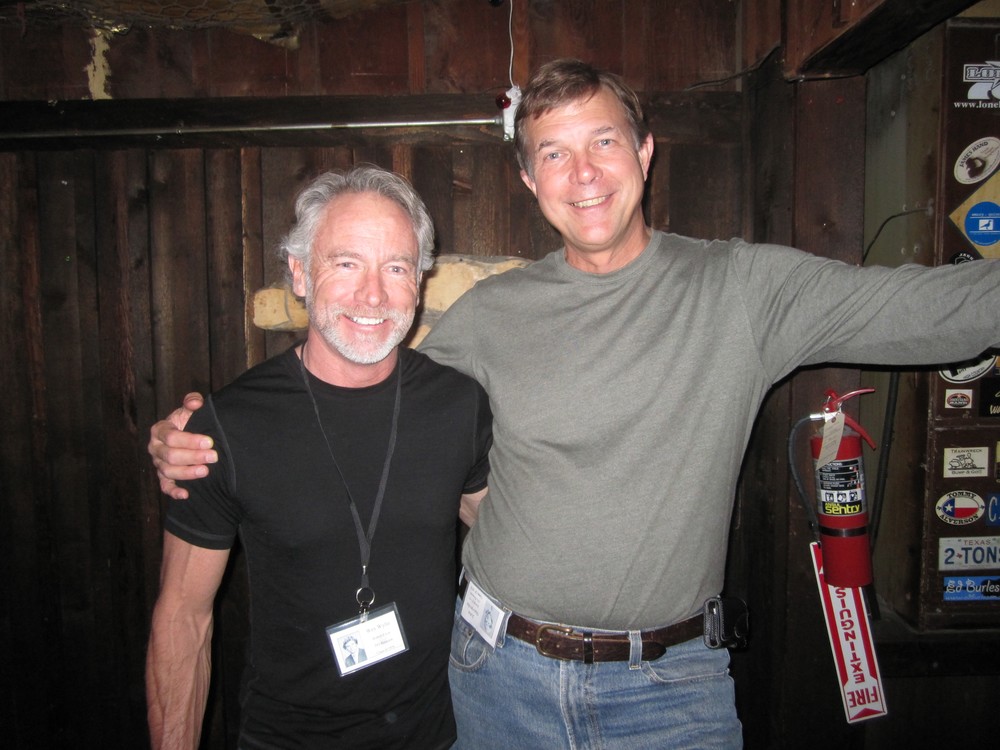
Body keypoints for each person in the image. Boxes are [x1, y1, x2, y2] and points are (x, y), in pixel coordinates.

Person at [150, 60, 1000, 748]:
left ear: (646, 153)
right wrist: (202, 433)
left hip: (672, 688)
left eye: (603, 142)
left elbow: (934, 312)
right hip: (493, 678)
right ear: (528, 179)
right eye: (554, 154)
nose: (583, 173)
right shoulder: (490, 315)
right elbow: (366, 389)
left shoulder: (743, 290)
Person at [145, 166, 492, 750]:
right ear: (301, 274)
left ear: (419, 282)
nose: (373, 295)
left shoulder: (459, 405)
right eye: (347, 263)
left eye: (396, 268)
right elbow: (183, 618)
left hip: (438, 734)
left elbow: (501, 530)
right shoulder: (225, 427)